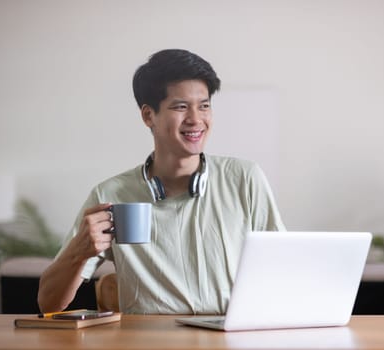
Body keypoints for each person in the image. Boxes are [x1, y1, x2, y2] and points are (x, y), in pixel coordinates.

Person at [37, 49, 285, 314]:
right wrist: (79, 251)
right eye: (180, 107)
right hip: (151, 340)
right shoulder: (110, 194)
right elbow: (48, 303)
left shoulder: (244, 178)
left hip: (228, 338)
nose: (196, 119)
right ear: (148, 116)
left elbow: (284, 270)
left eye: (204, 105)